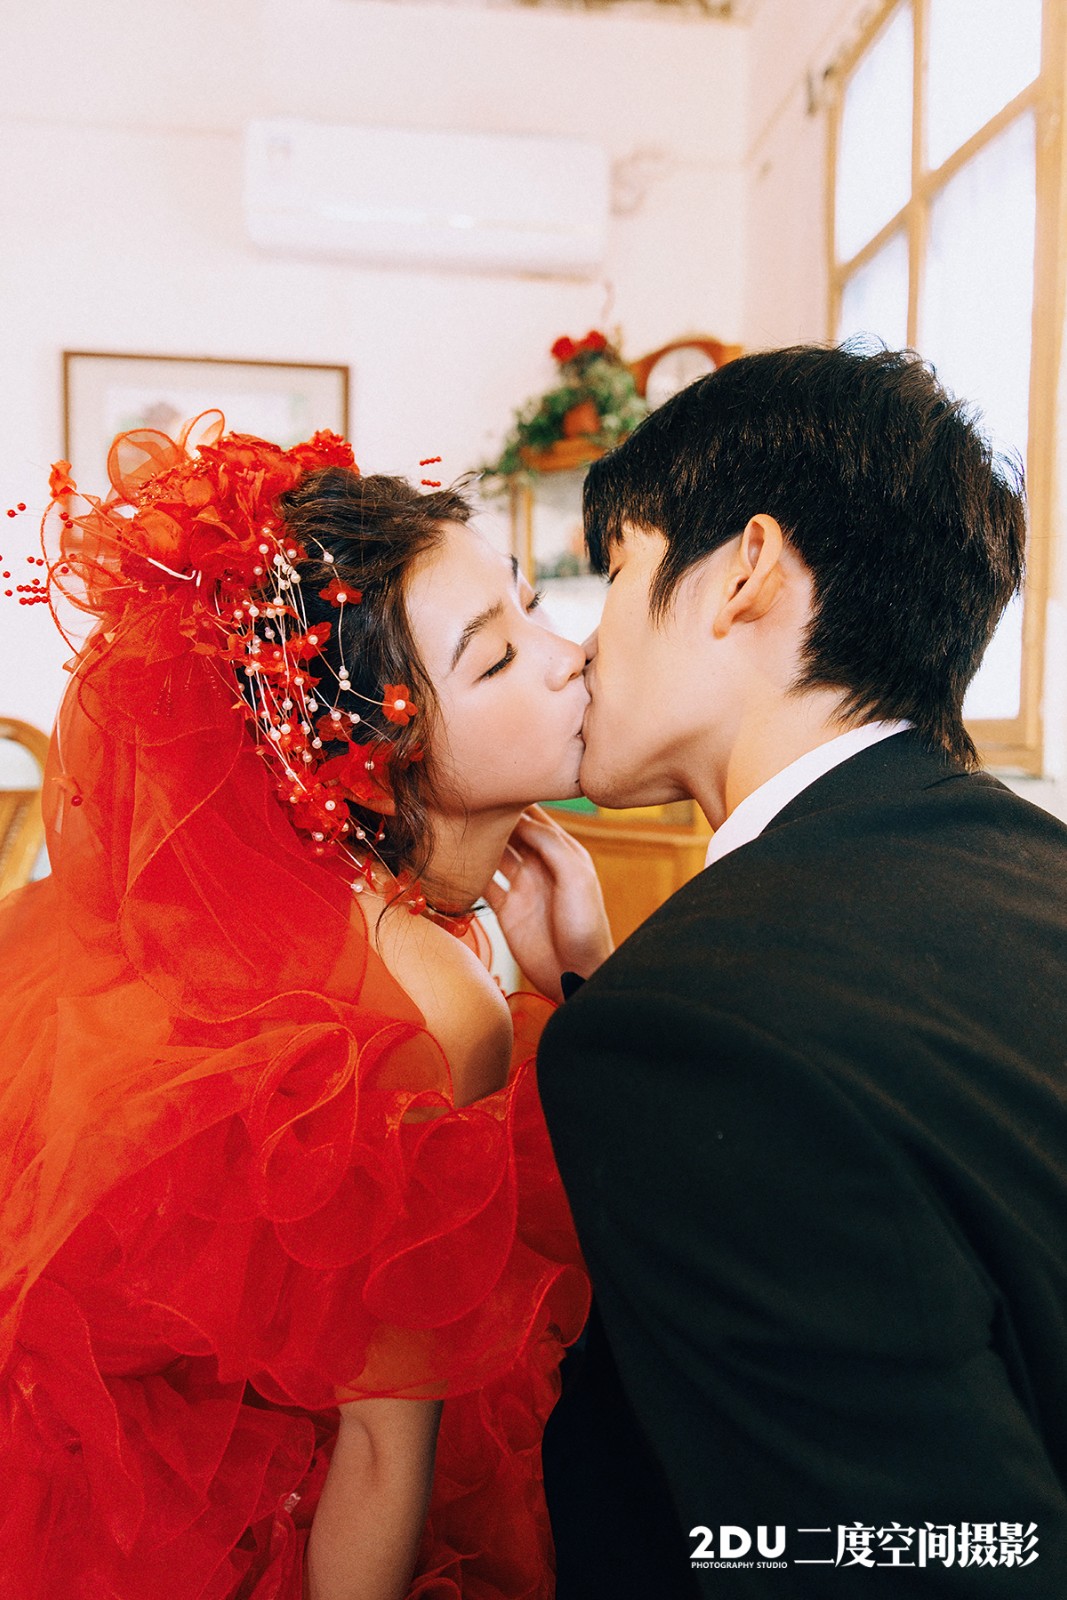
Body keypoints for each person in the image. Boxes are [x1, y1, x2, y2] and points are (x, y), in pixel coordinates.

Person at [0, 412, 611, 1599]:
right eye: (493, 658)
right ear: (374, 761)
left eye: (531, 605)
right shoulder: (431, 1003)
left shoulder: (305, 918)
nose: (565, 656)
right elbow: (385, 1445)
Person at [537, 345, 1067, 1594]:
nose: (581, 646)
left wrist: (638, 1007)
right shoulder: (1032, 866)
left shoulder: (692, 1034)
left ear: (744, 571)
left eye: (615, 571)